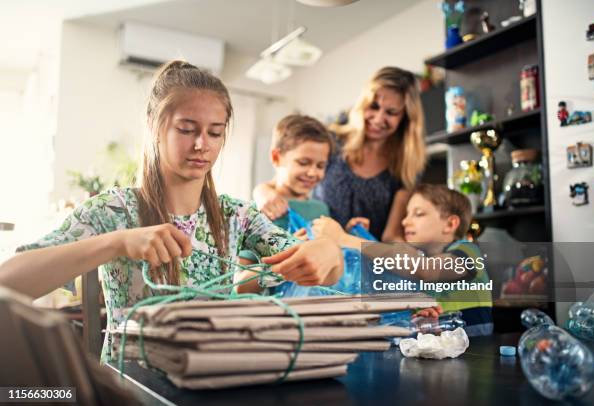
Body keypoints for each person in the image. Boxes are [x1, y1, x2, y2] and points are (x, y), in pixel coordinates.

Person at [0, 61, 343, 362]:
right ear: (154, 125)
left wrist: (328, 251)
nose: (201, 145)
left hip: (212, 381)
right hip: (132, 388)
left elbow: (324, 269)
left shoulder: (237, 217)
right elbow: (9, 282)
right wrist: (117, 243)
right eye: (186, 129)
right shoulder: (114, 210)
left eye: (215, 133)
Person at [254, 67, 427, 242]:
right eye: (373, 106)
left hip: (364, 257)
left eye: (391, 112)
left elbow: (391, 236)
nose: (378, 118)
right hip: (318, 246)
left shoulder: (406, 165)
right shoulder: (333, 140)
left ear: (405, 118)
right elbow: (280, 182)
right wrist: (262, 194)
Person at [312, 184, 493, 336]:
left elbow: (424, 269)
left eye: (418, 213)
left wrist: (344, 239)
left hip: (476, 356)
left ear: (450, 224)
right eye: (406, 214)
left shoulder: (468, 253)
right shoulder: (418, 263)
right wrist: (360, 235)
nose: (405, 221)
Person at [235, 114, 334, 291]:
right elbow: (239, 284)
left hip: (316, 310)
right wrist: (285, 261)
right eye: (303, 162)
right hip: (273, 313)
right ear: (276, 158)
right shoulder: (259, 211)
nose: (312, 173)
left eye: (320, 166)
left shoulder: (321, 209)